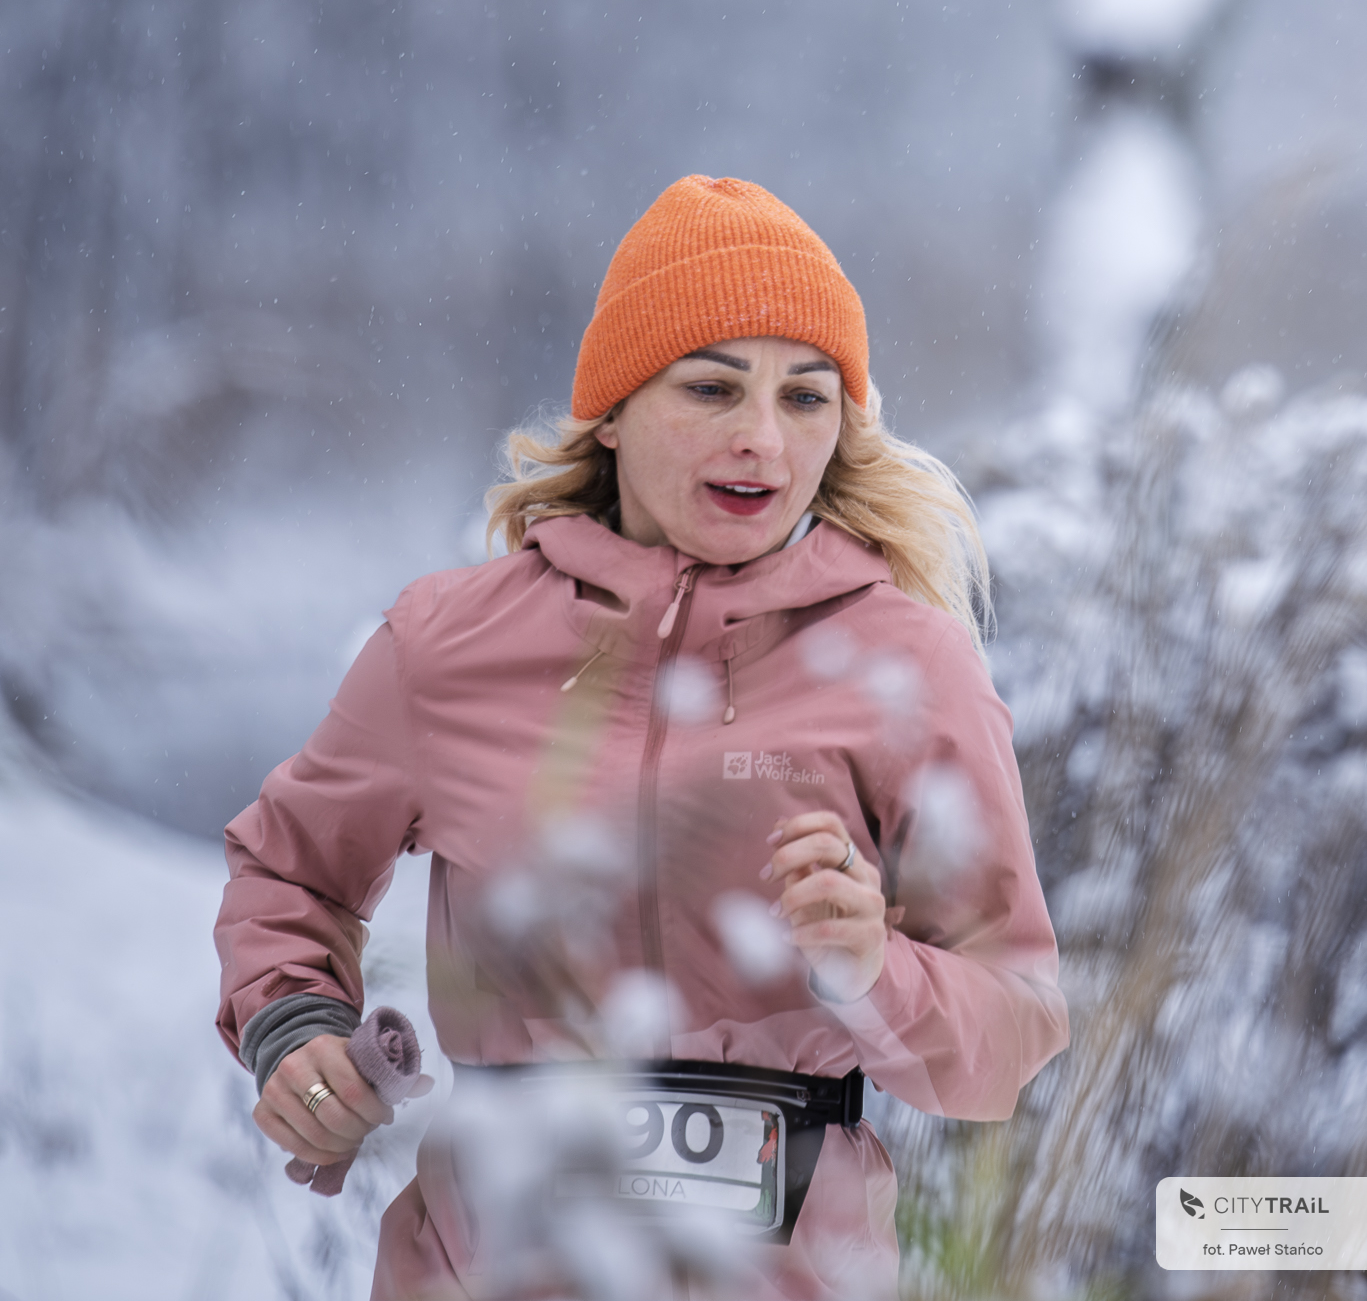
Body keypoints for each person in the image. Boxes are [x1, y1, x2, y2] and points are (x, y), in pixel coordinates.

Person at [215, 175, 1068, 1300]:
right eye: (711, 387)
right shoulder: (446, 644)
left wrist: (875, 972)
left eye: (805, 398)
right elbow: (289, 872)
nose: (760, 439)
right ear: (611, 410)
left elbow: (1010, 1033)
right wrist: (296, 1029)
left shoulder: (905, 666)